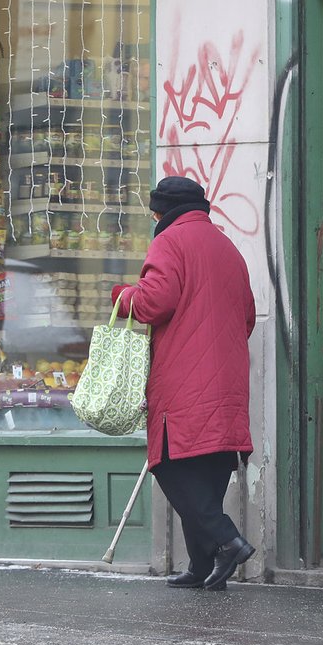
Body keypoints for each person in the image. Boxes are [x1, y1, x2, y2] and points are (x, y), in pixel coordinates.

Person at [110, 176, 256, 591]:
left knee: (171, 465)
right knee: (207, 468)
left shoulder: (169, 241)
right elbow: (248, 315)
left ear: (161, 211)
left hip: (183, 377)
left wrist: (122, 296)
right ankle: (202, 565)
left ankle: (227, 541)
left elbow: (155, 301)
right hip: (226, 378)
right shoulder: (227, 246)